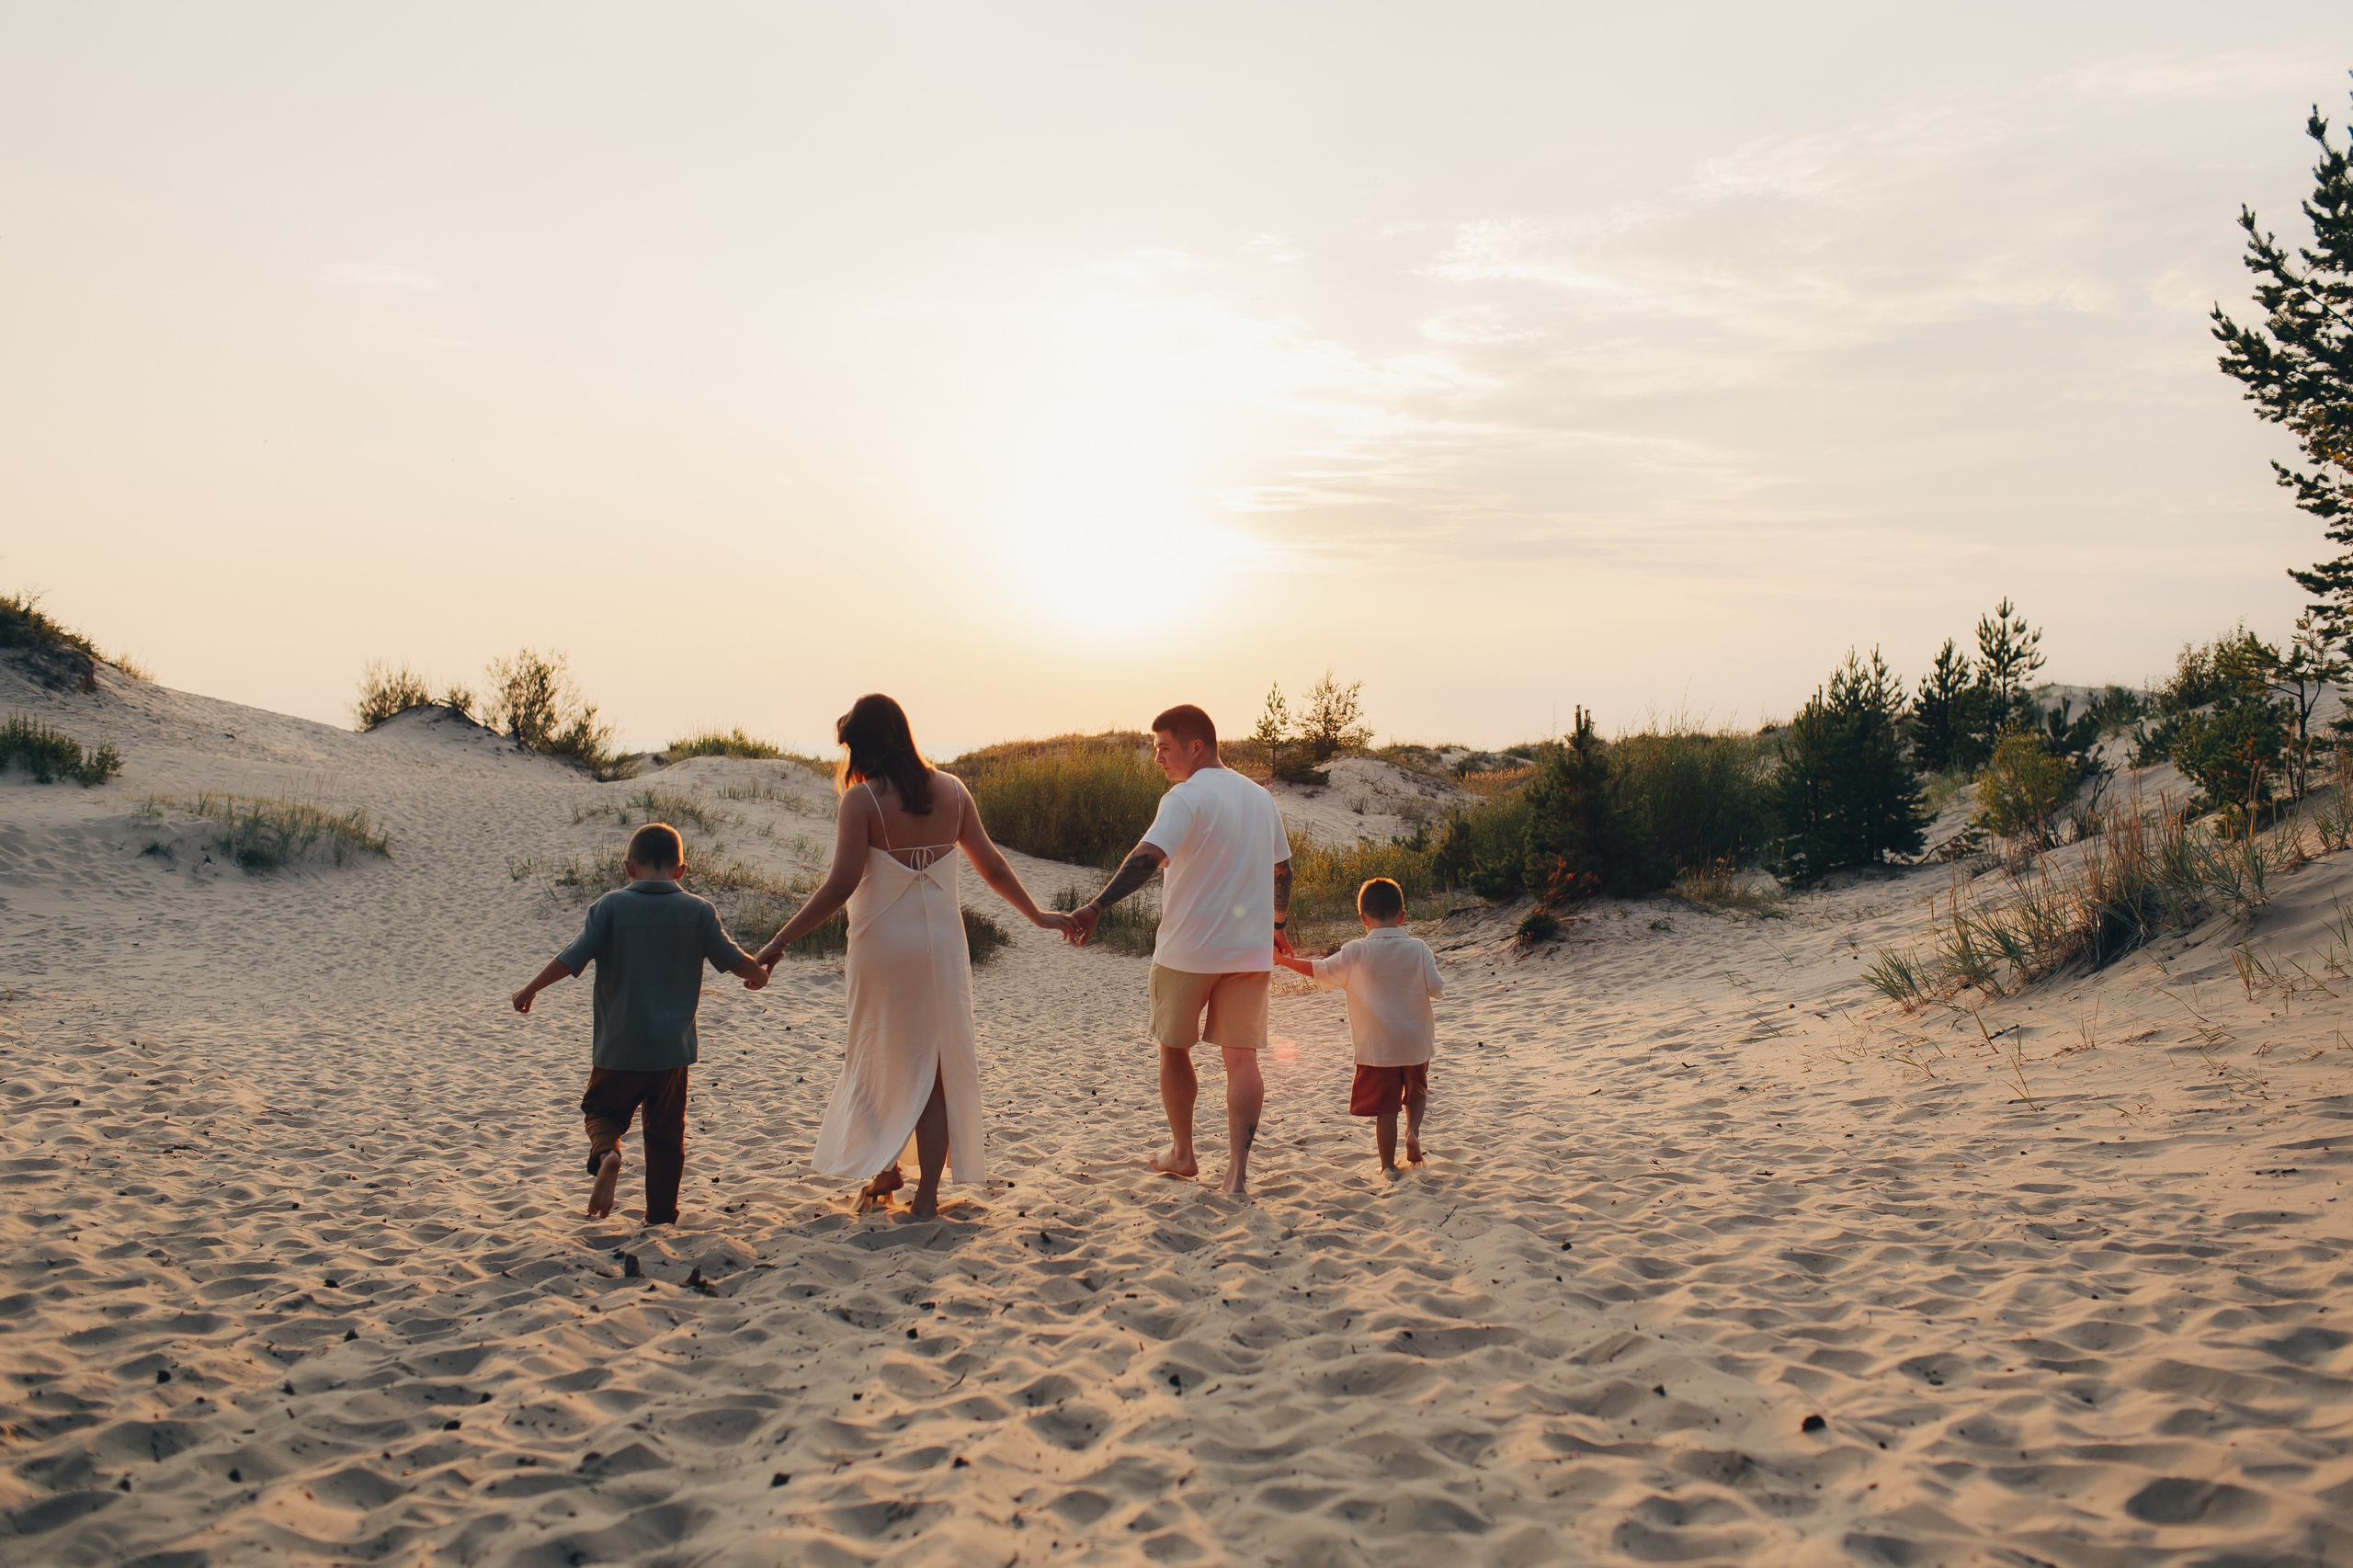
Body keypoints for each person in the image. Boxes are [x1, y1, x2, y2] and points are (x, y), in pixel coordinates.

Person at [753, 694, 1072, 1219]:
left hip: (883, 948)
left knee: (879, 1052)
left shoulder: (862, 801)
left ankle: (885, 1171)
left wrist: (779, 941)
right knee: (937, 1069)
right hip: (942, 948)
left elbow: (839, 887)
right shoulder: (953, 791)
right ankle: (924, 1196)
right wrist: (1038, 916)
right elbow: (990, 866)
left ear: (866, 745)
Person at [1067, 704, 1290, 1196]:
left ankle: (1184, 1154)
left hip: (1186, 950)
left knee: (1173, 1050)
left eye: (1164, 748)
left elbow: (1147, 858)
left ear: (1196, 746)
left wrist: (1097, 906)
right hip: (1248, 952)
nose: (1158, 758)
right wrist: (1278, 925)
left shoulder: (1183, 798)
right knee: (1243, 1060)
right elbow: (1282, 870)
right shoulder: (1260, 798)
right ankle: (1236, 1174)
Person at [510, 822, 770, 1224]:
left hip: (619, 1046)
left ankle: (608, 1154)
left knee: (602, 1112)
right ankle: (662, 1216)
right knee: (666, 1136)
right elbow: (733, 958)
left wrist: (530, 989)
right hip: (672, 1051)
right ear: (681, 870)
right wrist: (759, 973)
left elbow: (571, 957)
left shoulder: (610, 907)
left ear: (629, 868)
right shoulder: (699, 911)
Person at [1274, 876, 1442, 1174]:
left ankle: (1388, 1166)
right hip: (1416, 1043)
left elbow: (1319, 970)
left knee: (1386, 1109)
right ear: (1402, 917)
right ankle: (1413, 1133)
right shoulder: (1419, 948)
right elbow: (1437, 989)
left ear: (1363, 918)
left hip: (1378, 1049)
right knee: (1417, 1092)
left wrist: (1283, 960)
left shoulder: (1355, 951)